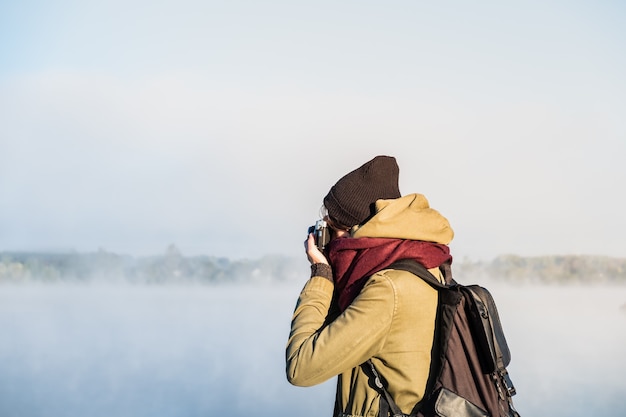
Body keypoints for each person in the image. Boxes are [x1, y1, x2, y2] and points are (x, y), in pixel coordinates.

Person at [285, 155, 454, 417]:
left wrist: (320, 274)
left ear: (357, 230)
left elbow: (301, 368)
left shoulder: (386, 289)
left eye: (333, 229)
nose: (331, 242)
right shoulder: (424, 262)